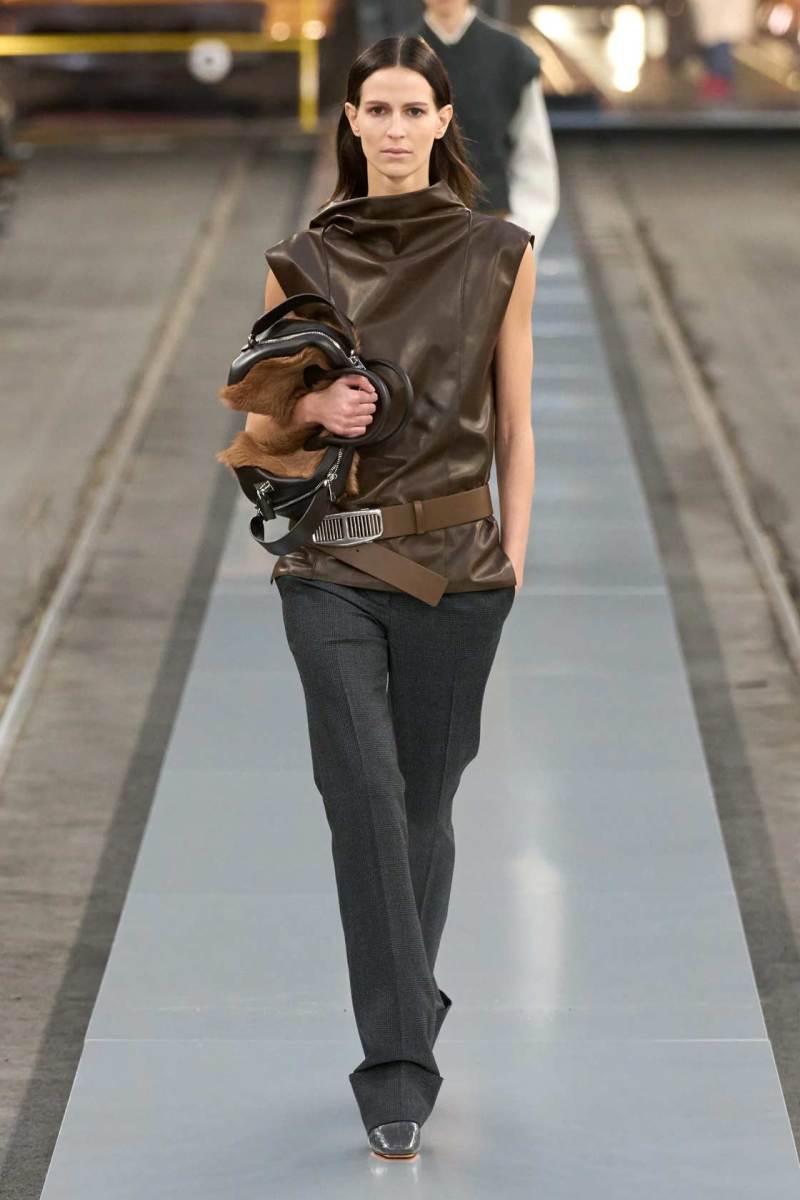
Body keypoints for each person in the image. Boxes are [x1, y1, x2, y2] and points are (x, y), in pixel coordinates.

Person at [247, 33, 535, 1159]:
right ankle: (398, 1067)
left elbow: (515, 423)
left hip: (458, 572)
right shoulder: (300, 261)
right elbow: (261, 424)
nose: (398, 127)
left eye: (416, 109)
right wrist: (312, 412)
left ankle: (407, 999)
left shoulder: (498, 252)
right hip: (329, 569)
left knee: (421, 807)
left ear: (442, 121)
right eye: (379, 108)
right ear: (353, 122)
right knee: (364, 794)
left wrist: (515, 556)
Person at [406, 0, 559, 253]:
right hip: (413, 232)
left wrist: (518, 237)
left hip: (493, 228)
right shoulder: (397, 56)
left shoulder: (511, 54)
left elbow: (533, 155)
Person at [686, 0, 755, 101]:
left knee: (719, 72)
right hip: (721, 30)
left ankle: (718, 102)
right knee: (721, 70)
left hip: (719, 31)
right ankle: (720, 100)